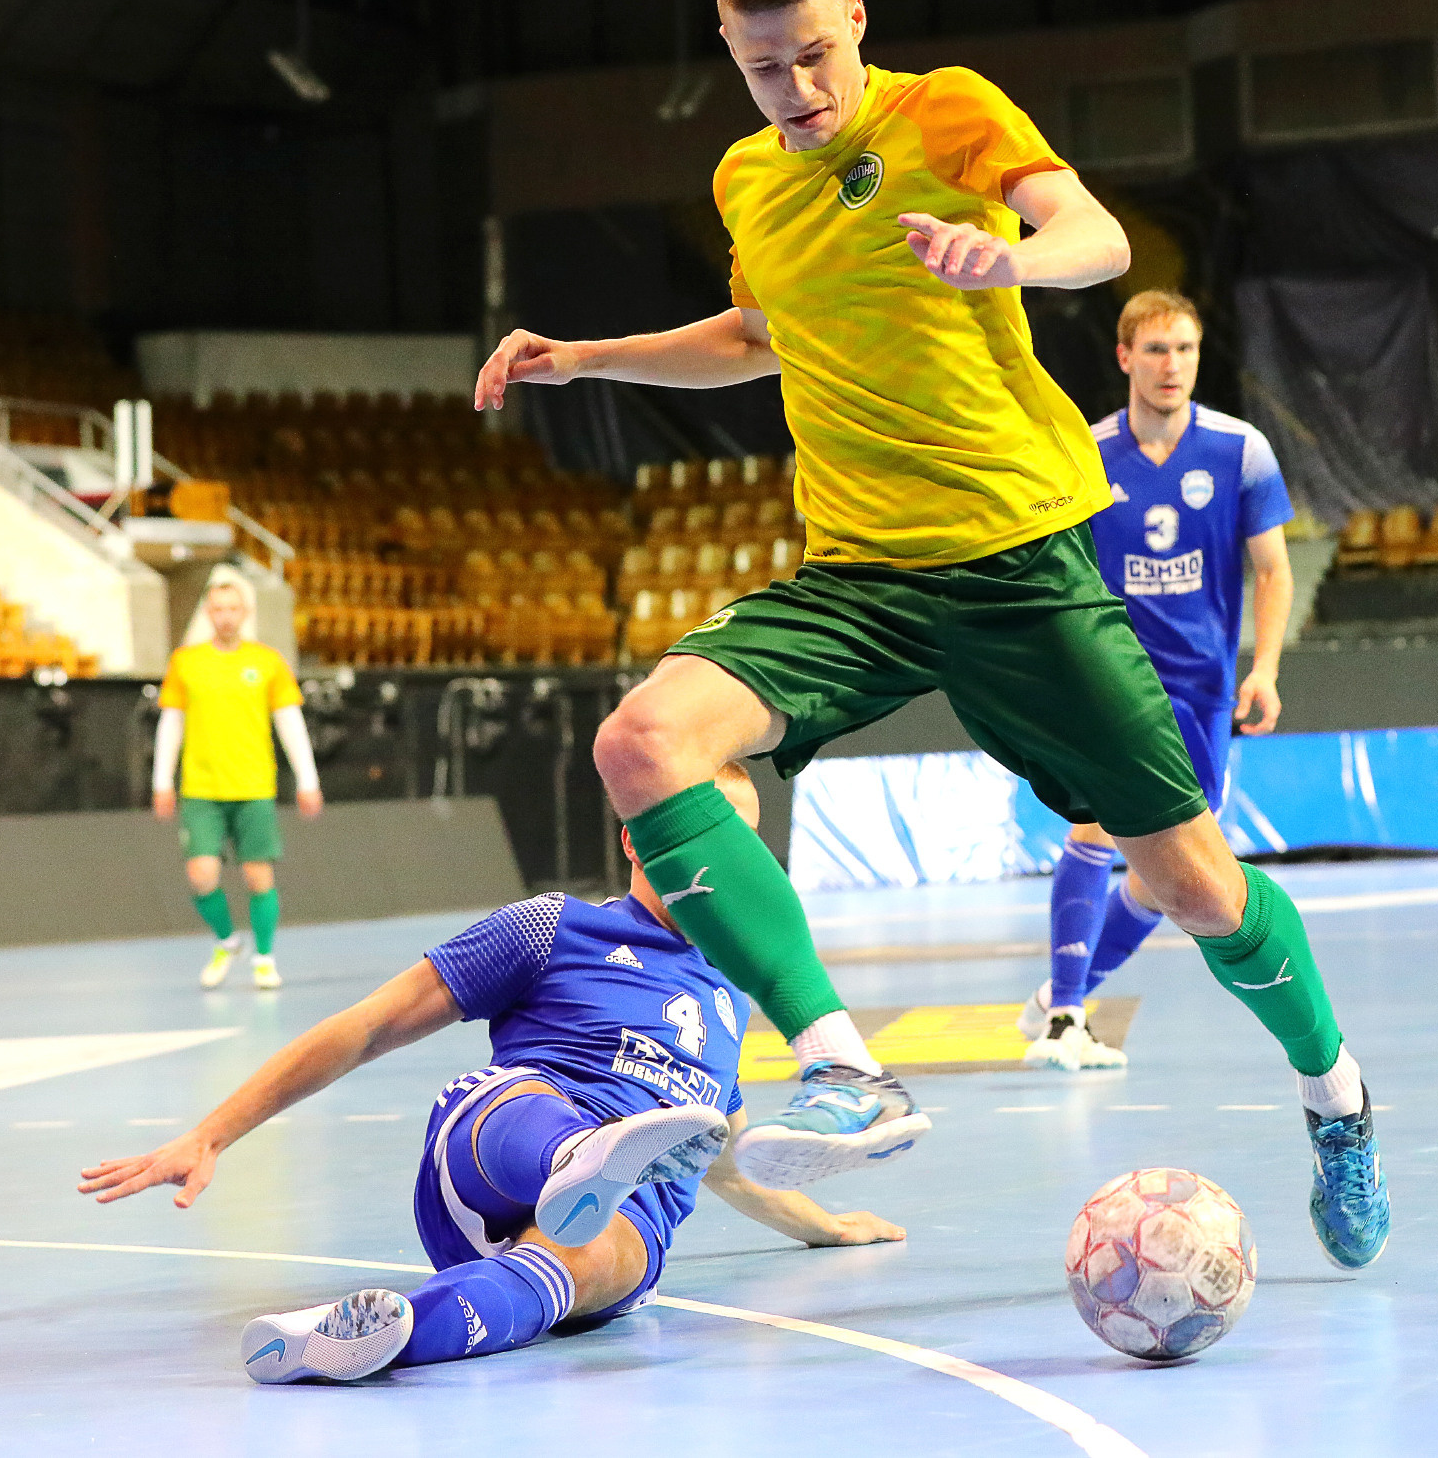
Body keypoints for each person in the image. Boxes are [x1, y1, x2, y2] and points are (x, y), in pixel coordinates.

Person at [473, 0, 1387, 1270]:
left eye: (816, 54)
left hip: (1019, 566)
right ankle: (849, 1070)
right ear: (731, 53)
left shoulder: (942, 112)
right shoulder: (745, 179)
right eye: (765, 66)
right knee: (641, 741)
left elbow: (1094, 236)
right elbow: (758, 337)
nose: (801, 90)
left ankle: (1340, 1097)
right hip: (860, 572)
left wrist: (1008, 256)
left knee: (1195, 888)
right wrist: (586, 357)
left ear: (854, 16)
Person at [79, 764, 901, 1384]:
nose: (716, 865)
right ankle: (579, 1156)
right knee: (524, 1100)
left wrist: (823, 1226)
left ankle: (362, 1338)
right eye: (693, 836)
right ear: (633, 837)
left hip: (610, 1217)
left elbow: (716, 1149)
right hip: (493, 1154)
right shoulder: (554, 927)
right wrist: (211, 1132)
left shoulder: (731, 987)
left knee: (595, 1263)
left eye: (737, 845)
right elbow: (366, 1027)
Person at [1014, 289, 1293, 1071]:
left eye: (1186, 350)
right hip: (1114, 674)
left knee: (1168, 876)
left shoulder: (1241, 450)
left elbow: (1272, 571)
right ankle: (1068, 1015)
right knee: (1097, 827)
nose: (1173, 366)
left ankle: (1060, 992)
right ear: (1124, 357)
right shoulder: (1086, 452)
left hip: (1204, 689)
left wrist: (1263, 667)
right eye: (1158, 350)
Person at [152, 573, 322, 990]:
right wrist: (161, 780)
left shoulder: (267, 662)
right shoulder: (186, 662)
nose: (226, 616)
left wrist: (307, 778)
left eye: (233, 608)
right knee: (201, 875)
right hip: (201, 789)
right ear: (208, 613)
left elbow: (290, 723)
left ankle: (264, 957)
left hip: (253, 787)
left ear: (245, 613)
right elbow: (171, 724)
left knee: (258, 876)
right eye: (218, 608)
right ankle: (227, 941)